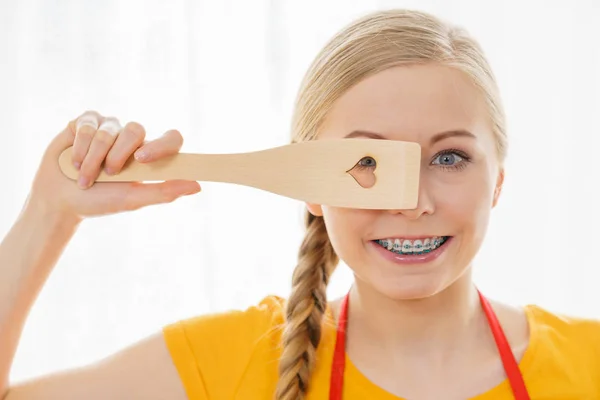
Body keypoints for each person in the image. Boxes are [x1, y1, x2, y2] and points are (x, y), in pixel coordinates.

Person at [1, 8, 599, 400]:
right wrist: (47, 215)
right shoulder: (227, 363)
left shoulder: (589, 362)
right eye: (367, 163)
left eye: (448, 159)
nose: (412, 203)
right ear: (309, 183)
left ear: (497, 182)